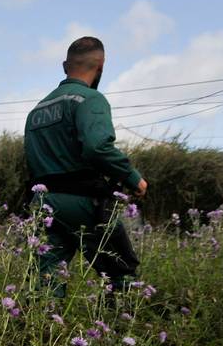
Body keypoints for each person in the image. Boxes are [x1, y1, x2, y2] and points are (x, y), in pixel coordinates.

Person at [24, 36, 148, 297]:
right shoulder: (90, 99)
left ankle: (40, 332)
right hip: (83, 202)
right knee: (120, 270)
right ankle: (119, 330)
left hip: (44, 203)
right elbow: (97, 148)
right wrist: (132, 177)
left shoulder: (36, 111)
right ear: (101, 65)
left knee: (46, 279)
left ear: (64, 66)